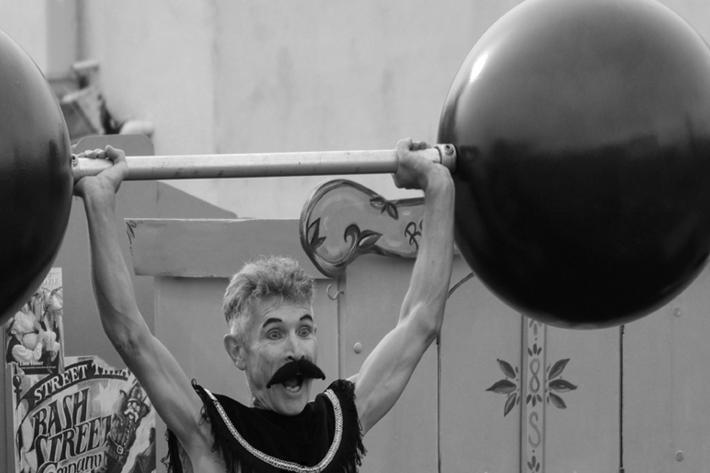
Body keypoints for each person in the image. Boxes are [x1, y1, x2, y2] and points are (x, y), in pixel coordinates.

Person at [73, 138, 455, 473]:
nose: (295, 350)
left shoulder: (340, 419)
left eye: (304, 330)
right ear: (237, 351)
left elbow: (420, 322)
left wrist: (437, 187)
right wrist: (99, 199)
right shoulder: (212, 434)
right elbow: (129, 335)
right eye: (275, 333)